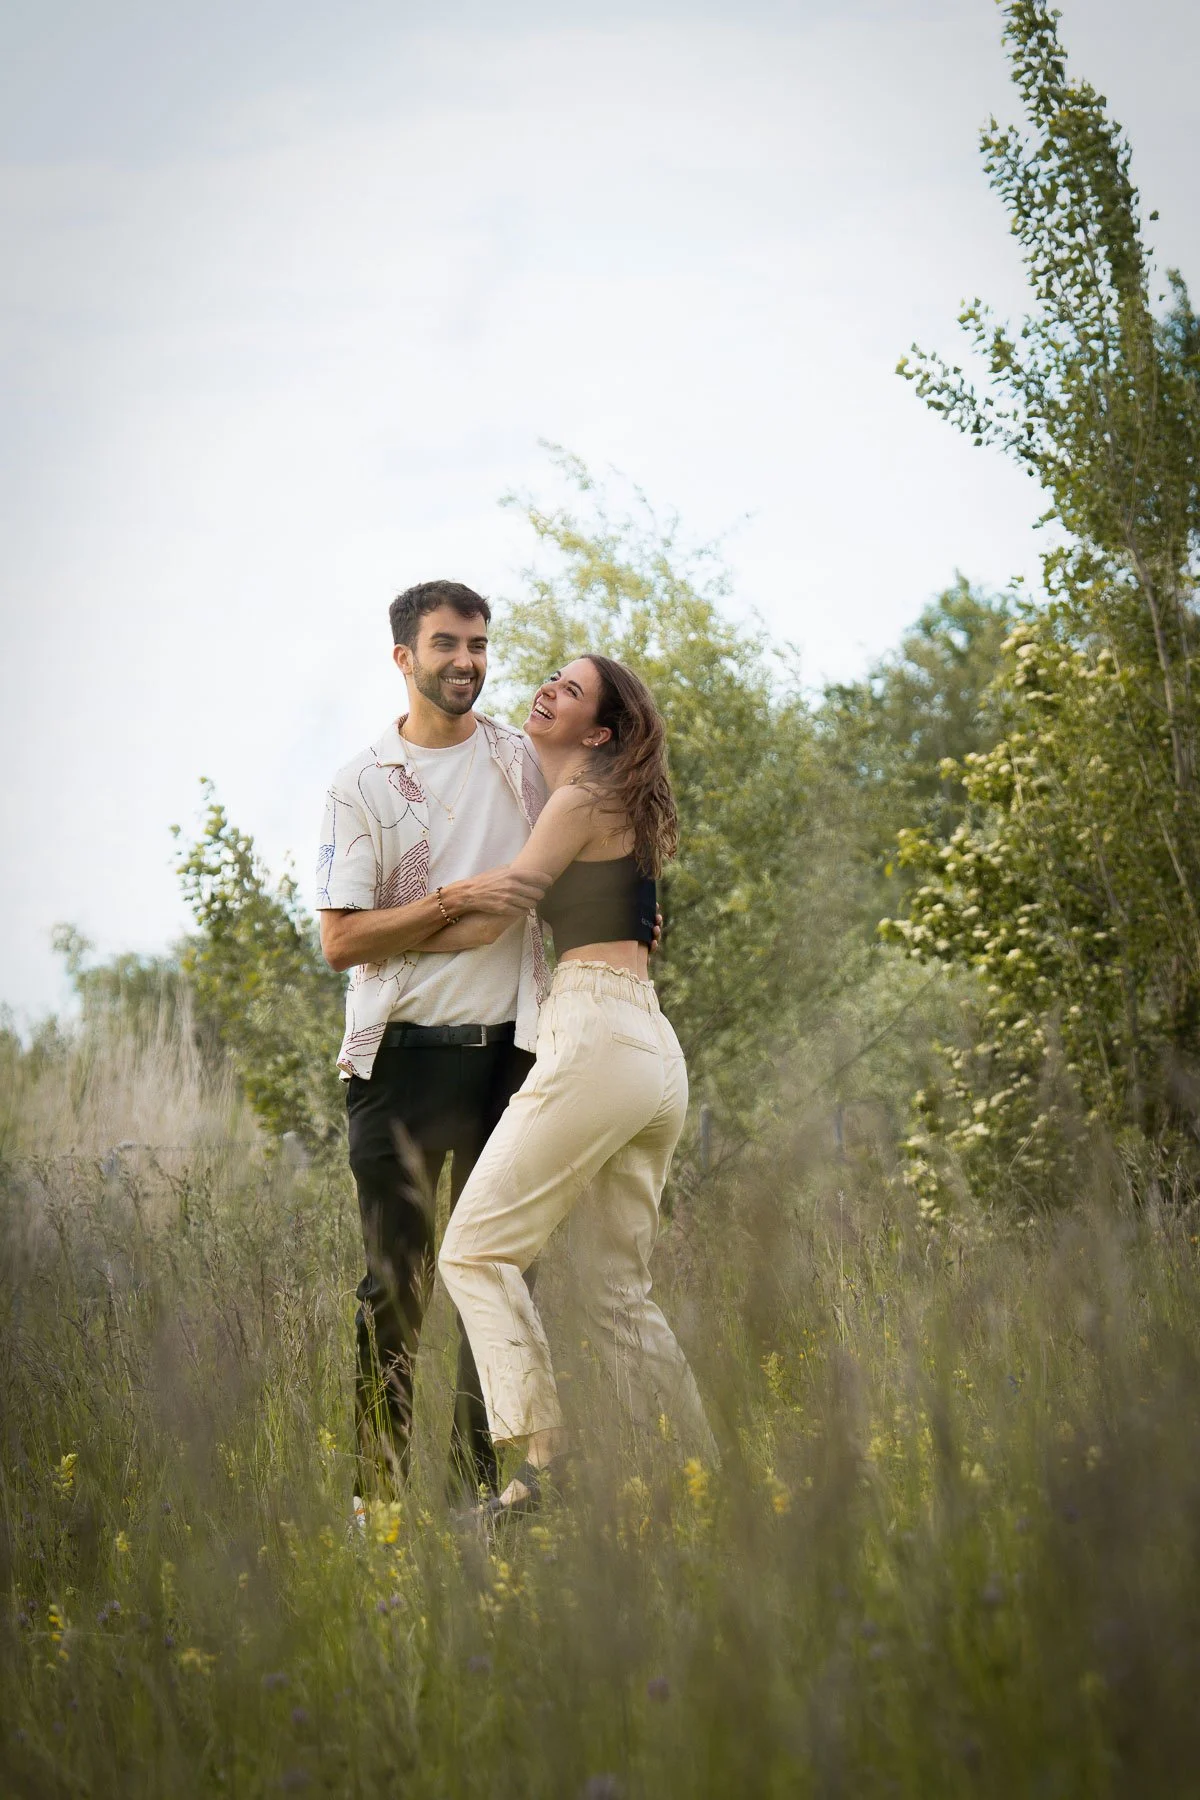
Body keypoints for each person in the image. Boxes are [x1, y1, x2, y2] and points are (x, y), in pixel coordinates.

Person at [433, 653, 715, 1516]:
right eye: (550, 676)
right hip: (651, 1050)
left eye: (573, 689)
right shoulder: (609, 804)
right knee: (616, 1296)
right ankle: (703, 1487)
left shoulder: (583, 795)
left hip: (596, 1033)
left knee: (474, 1250)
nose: (548, 689)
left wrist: (382, 928)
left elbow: (505, 903)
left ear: (599, 731)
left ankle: (543, 1458)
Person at [315, 579, 553, 1506]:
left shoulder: (525, 766)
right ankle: (374, 1506)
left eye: (481, 644)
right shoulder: (360, 785)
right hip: (403, 1062)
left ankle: (476, 1504)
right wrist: (454, 904)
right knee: (395, 1293)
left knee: (501, 1289)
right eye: (448, 644)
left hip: (514, 1061)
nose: (468, 661)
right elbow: (341, 940)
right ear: (404, 657)